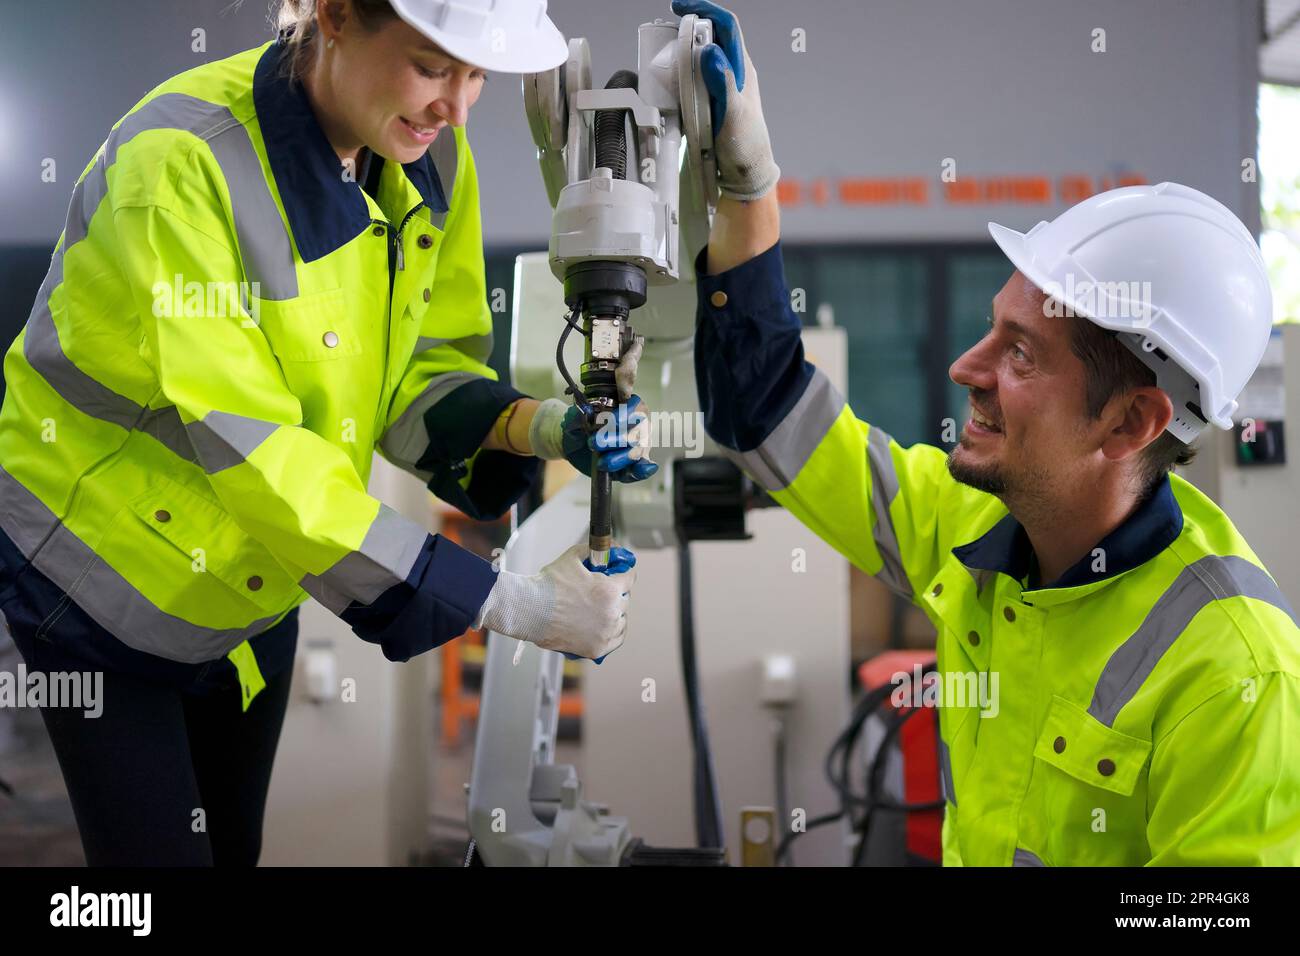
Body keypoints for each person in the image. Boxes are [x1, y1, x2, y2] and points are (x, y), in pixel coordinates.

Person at [0, 0, 650, 866]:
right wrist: (511, 601)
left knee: (231, 849)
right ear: (337, 17)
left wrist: (537, 428)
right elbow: (253, 446)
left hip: (253, 570)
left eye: (478, 75)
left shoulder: (425, 154)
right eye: (431, 67)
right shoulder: (180, 166)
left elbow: (416, 368)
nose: (457, 108)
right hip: (98, 577)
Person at [677, 0, 1300, 864]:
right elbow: (767, 413)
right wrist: (749, 192)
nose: (966, 369)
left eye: (1021, 353)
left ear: (1129, 422)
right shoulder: (977, 530)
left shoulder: (1236, 673)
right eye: (989, 328)